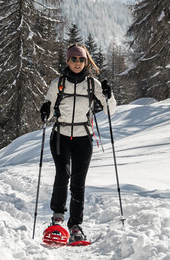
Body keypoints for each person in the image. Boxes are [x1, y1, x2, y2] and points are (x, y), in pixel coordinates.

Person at [39, 44, 115, 244]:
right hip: (60, 135)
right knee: (63, 174)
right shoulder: (58, 83)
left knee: (78, 182)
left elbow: (110, 111)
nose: (78, 63)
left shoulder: (93, 84)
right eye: (74, 59)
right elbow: (47, 109)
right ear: (67, 61)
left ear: (86, 62)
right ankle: (57, 221)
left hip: (83, 137)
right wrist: (45, 110)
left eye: (81, 60)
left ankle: (75, 226)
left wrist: (109, 95)